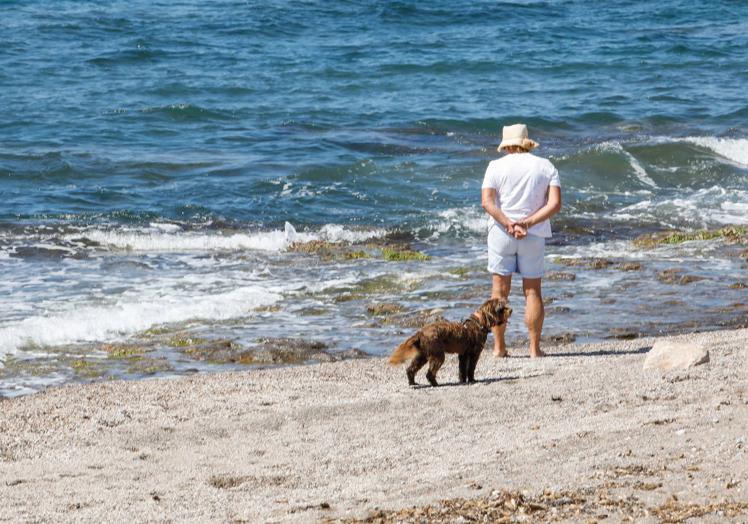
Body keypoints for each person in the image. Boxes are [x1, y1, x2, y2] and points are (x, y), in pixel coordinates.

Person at [481, 123, 561, 358]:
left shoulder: (495, 166)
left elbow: (487, 202)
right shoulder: (545, 166)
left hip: (501, 233)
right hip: (533, 234)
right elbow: (554, 204)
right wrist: (527, 223)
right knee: (533, 291)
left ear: (506, 145)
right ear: (526, 142)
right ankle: (534, 349)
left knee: (499, 292)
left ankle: (499, 348)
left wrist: (508, 223)